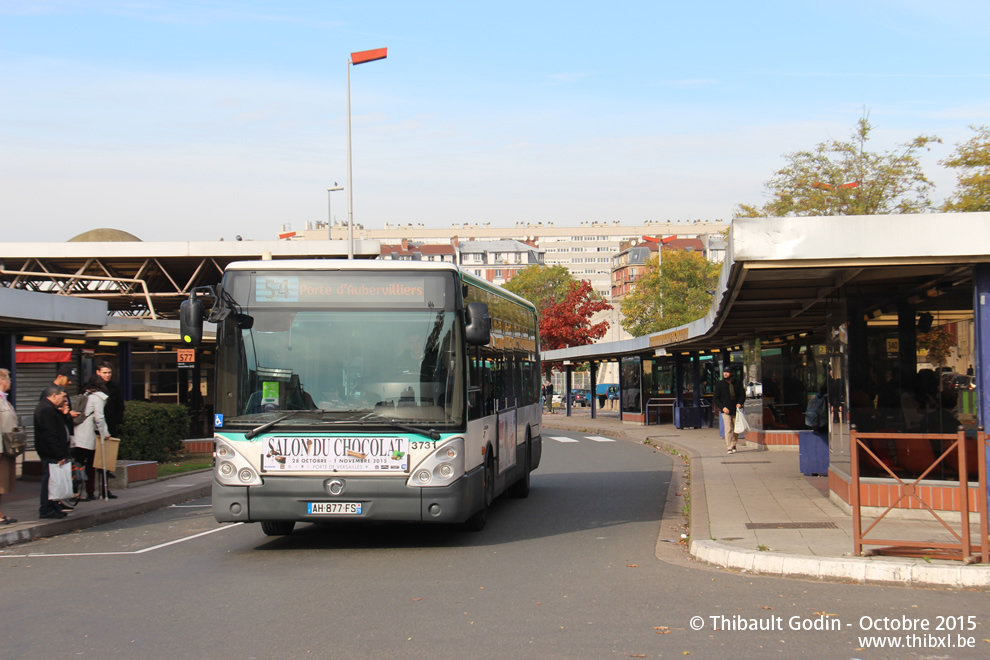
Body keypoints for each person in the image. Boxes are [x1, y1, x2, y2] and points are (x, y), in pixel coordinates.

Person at [34, 384, 73, 519]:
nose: (64, 400)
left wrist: (64, 414)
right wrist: (58, 454)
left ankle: (54, 506)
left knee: (55, 481)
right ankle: (46, 508)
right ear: (54, 395)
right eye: (63, 397)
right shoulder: (46, 410)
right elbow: (50, 434)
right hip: (50, 452)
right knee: (50, 481)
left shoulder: (52, 409)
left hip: (54, 451)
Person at [72, 375, 113, 501]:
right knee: (90, 463)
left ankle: (74, 491)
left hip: (76, 433)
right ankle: (89, 491)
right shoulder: (98, 398)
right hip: (87, 436)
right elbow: (99, 418)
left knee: (77, 462)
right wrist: (104, 433)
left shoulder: (84, 395)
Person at [0, 368, 19, 525]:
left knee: (2, 483)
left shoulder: (4, 399)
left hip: (7, 448)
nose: (9, 383)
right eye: (8, 380)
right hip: (1, 448)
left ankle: (0, 513)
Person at [713, 366, 745, 454]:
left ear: (731, 373)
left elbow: (742, 395)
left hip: (736, 409)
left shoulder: (737, 383)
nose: (725, 374)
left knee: (736, 429)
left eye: (727, 372)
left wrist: (740, 403)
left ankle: (734, 444)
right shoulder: (720, 384)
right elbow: (716, 398)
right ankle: (729, 447)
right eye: (724, 372)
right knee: (728, 429)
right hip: (725, 410)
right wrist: (722, 407)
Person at [96, 362, 124, 437]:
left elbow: (120, 405)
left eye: (109, 373)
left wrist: (117, 420)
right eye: (104, 373)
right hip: (95, 425)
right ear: (98, 372)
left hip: (111, 423)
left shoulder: (115, 387)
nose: (107, 375)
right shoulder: (92, 386)